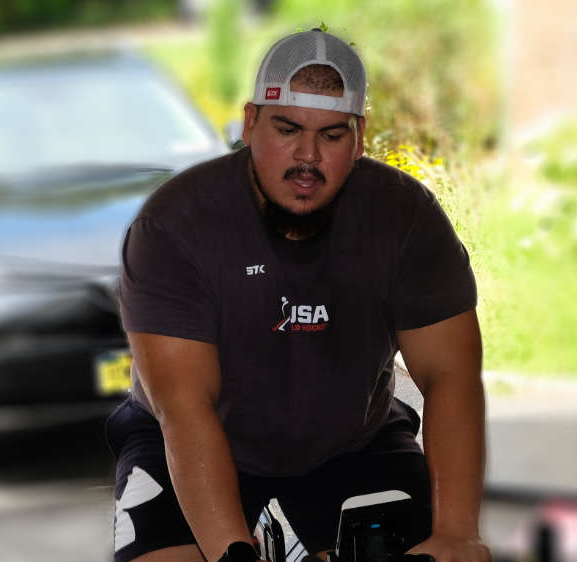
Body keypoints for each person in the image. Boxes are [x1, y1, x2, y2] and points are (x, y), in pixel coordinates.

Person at [106, 29, 491, 562]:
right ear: (249, 123)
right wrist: (234, 554)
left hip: (355, 444)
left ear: (359, 136)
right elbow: (185, 410)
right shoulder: (173, 225)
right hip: (191, 447)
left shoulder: (407, 220)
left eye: (332, 135)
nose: (307, 156)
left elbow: (450, 373)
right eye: (287, 129)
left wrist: (457, 531)